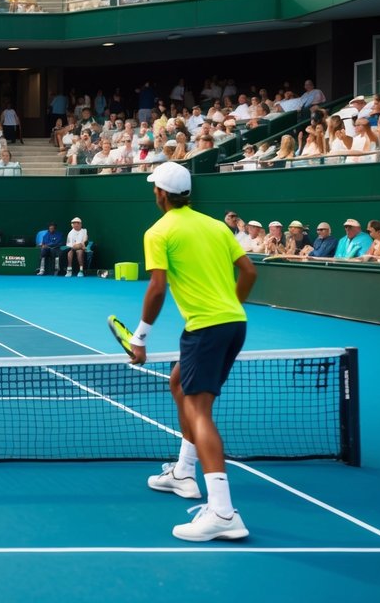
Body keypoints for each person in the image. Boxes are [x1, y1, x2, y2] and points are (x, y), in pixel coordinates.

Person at [129, 161, 256, 542]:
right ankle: (184, 473)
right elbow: (250, 273)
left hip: (205, 328)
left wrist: (140, 337)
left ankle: (221, 511)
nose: (154, 193)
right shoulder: (217, 226)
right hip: (235, 323)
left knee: (199, 410)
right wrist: (228, 308)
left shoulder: (159, 231)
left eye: (155, 189)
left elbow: (157, 288)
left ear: (161, 195)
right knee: (178, 382)